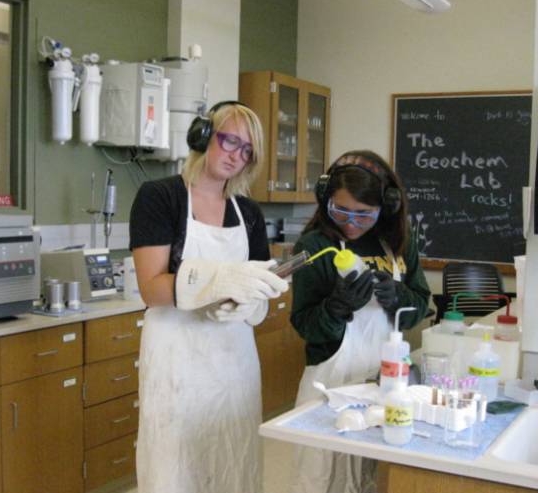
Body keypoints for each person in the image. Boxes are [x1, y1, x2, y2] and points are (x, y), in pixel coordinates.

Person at [129, 101, 289, 493]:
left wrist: (252, 302)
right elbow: (151, 288)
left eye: (247, 150)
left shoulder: (247, 212)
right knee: (174, 463)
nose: (236, 155)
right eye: (230, 140)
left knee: (232, 458)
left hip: (233, 360)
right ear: (203, 137)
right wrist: (218, 280)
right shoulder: (160, 197)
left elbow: (260, 286)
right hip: (177, 359)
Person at [290, 150, 430, 493]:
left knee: (375, 478)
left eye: (364, 214)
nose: (351, 222)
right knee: (324, 478)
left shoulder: (396, 242)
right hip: (330, 379)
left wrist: (398, 297)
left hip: (386, 382)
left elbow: (420, 304)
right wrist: (336, 308)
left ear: (387, 206)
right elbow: (305, 324)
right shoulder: (315, 246)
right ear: (326, 202)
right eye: (341, 210)